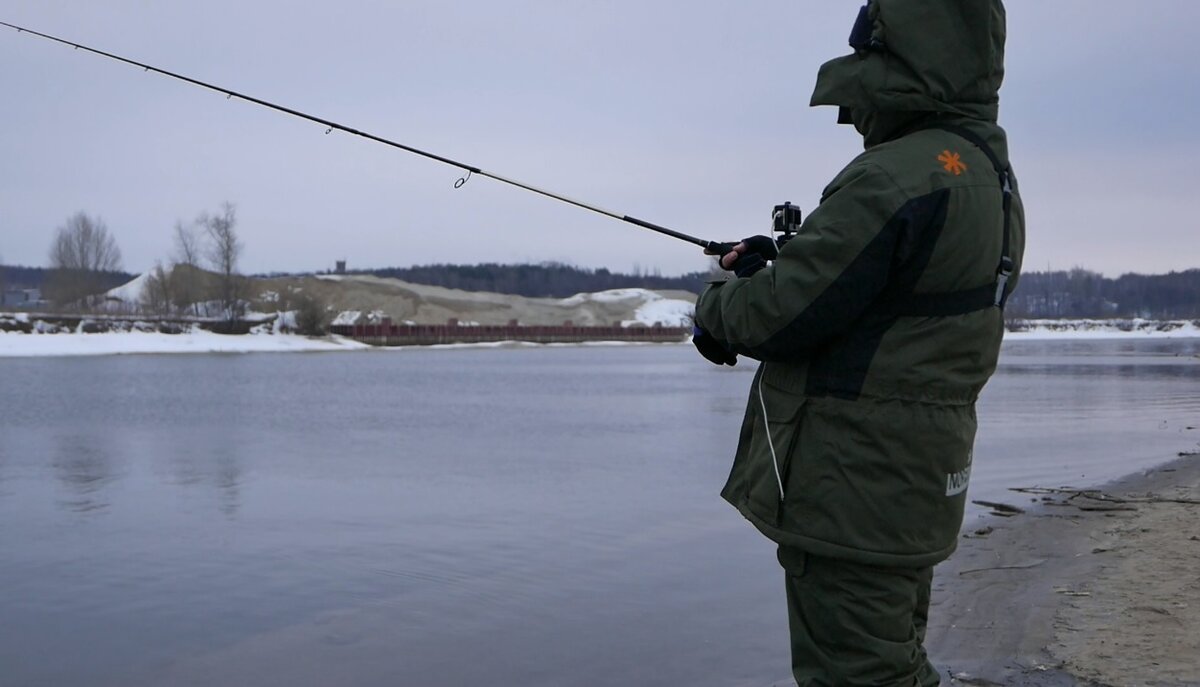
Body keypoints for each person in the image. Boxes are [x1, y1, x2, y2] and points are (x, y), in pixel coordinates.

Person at [691, 1, 1024, 684]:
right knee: (893, 663)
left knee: (857, 674)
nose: (853, 111)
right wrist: (778, 260)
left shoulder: (894, 177)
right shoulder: (987, 173)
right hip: (914, 483)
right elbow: (873, 299)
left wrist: (717, 304)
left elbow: (778, 317)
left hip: (850, 491)